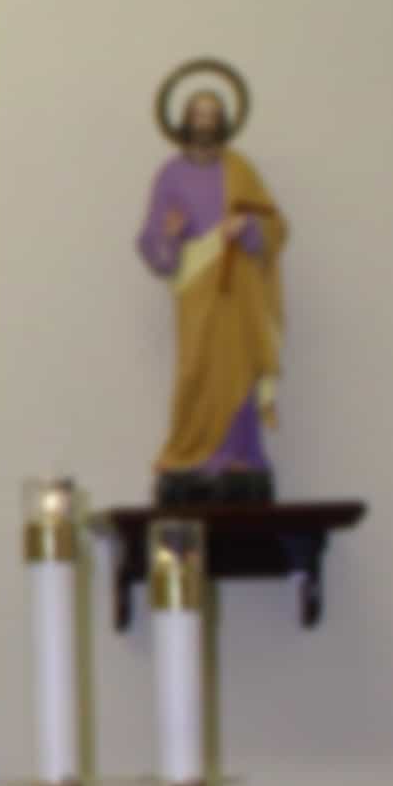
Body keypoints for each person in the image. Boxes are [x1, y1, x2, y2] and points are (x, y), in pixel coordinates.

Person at [136, 86, 287, 503]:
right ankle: (191, 453)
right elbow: (153, 244)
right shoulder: (171, 175)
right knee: (197, 373)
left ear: (223, 123)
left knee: (239, 371)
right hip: (197, 292)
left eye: (212, 115)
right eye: (199, 115)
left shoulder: (242, 170)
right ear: (185, 121)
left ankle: (238, 455)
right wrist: (169, 237)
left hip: (239, 292)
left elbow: (275, 227)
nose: (205, 122)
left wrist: (250, 231)